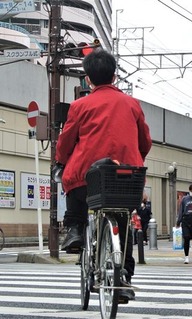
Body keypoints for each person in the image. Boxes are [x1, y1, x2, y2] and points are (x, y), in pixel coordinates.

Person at [56, 49, 152, 302]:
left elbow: (66, 141)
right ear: (115, 76)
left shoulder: (79, 105)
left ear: (88, 79)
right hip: (124, 175)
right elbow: (145, 141)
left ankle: (75, 230)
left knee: (75, 190)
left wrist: (60, 162)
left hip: (88, 173)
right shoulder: (132, 104)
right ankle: (124, 278)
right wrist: (134, 156)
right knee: (123, 224)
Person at [176, 183, 192, 264]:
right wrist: (178, 221)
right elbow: (181, 210)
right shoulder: (185, 199)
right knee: (186, 238)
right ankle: (186, 257)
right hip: (185, 219)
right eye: (191, 191)